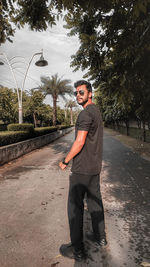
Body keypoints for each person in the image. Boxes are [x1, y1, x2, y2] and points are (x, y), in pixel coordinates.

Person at [59, 80, 107, 262]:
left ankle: (77, 250)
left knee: (75, 208)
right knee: (95, 203)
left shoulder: (85, 114)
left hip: (81, 171)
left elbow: (79, 142)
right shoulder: (96, 112)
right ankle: (101, 237)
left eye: (81, 92)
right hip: (94, 169)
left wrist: (65, 160)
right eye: (76, 93)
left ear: (90, 93)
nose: (78, 95)